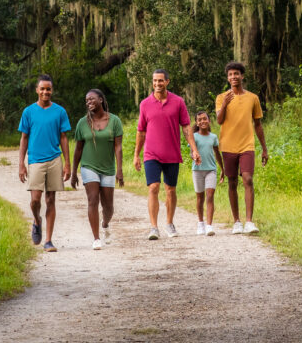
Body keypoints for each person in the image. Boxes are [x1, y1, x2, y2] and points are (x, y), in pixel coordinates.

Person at [16, 75, 75, 251]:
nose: (45, 92)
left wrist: (67, 163)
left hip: (54, 159)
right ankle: (37, 220)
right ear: (37, 90)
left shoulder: (59, 111)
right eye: (42, 89)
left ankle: (48, 240)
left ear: (52, 90)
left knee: (51, 199)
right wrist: (21, 163)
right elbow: (24, 138)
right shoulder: (28, 112)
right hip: (35, 160)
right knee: (35, 200)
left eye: (48, 89)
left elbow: (64, 138)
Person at [132, 67, 189, 240]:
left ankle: (169, 224)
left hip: (172, 153)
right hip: (151, 154)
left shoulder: (178, 102)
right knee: (153, 187)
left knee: (170, 190)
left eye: (161, 80)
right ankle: (153, 227)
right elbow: (141, 131)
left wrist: (193, 148)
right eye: (155, 80)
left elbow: (186, 126)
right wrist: (136, 155)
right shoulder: (145, 104)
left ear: (167, 82)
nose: (157, 83)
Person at [215, 61, 268, 234]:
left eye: (236, 74)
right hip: (228, 145)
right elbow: (219, 120)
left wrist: (264, 149)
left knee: (248, 179)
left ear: (242, 76)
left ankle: (249, 222)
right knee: (232, 183)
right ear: (228, 78)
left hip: (247, 145)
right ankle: (236, 221)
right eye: (230, 75)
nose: (233, 77)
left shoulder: (252, 98)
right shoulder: (221, 97)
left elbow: (258, 124)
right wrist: (224, 105)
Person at [70, 88, 125, 249]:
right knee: (92, 199)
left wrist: (119, 170)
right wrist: (74, 172)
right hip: (89, 166)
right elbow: (78, 149)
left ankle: (105, 224)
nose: (89, 102)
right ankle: (96, 238)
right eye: (87, 100)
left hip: (108, 168)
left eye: (92, 99)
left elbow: (118, 147)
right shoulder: (82, 123)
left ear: (101, 100)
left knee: (108, 207)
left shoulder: (114, 121)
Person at [188, 112, 220, 235]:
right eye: (199, 120)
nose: (202, 121)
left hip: (211, 170)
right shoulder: (194, 136)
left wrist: (222, 169)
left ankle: (209, 225)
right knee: (200, 197)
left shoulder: (213, 137)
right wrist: (194, 157)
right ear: (197, 123)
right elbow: (191, 152)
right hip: (197, 171)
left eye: (204, 119)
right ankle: (200, 223)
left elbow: (217, 154)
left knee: (210, 195)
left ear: (209, 120)